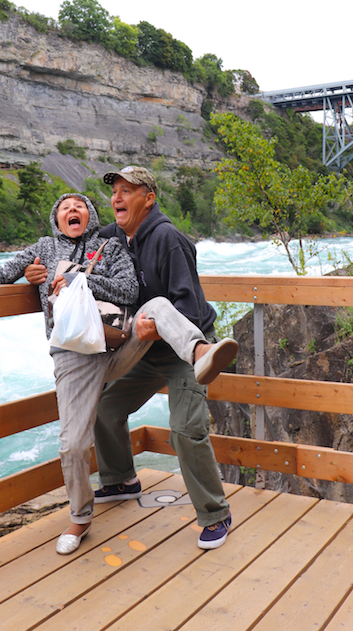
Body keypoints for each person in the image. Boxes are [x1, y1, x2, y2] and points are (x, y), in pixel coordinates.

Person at [0, 192, 234, 556]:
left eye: (79, 206)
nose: (72, 210)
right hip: (72, 356)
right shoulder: (43, 250)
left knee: (158, 307)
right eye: (65, 207)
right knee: (73, 444)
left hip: (114, 345)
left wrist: (77, 279)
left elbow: (130, 291)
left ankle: (201, 351)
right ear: (56, 218)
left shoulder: (109, 246)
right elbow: (6, 269)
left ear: (90, 216)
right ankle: (82, 515)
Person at [93, 165, 235, 550]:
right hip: (144, 349)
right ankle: (121, 479)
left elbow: (188, 307)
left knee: (185, 429)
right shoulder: (115, 238)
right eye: (114, 192)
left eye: (127, 191)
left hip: (183, 346)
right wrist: (16, 271)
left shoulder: (169, 239)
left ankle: (215, 513)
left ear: (149, 198)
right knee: (104, 406)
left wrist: (154, 327)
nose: (117, 198)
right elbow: (71, 240)